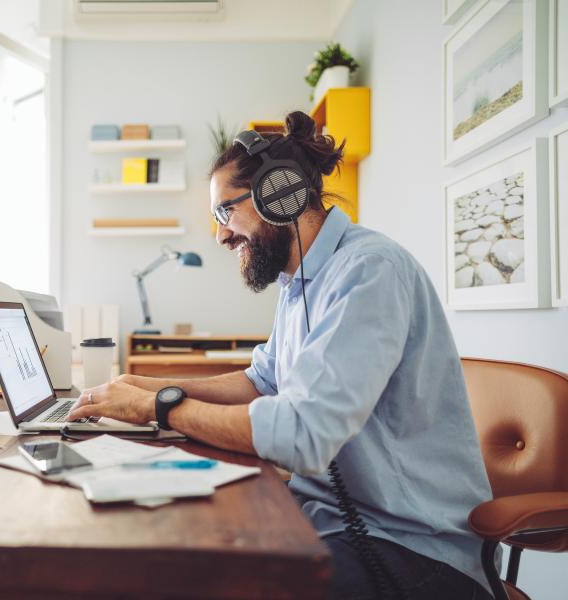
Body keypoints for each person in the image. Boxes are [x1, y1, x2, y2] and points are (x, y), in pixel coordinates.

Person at [68, 110, 494, 600]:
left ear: (279, 194)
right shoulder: (300, 283)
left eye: (225, 213)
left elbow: (301, 436)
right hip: (329, 521)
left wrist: (160, 408)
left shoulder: (369, 272)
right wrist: (151, 387)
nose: (221, 236)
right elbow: (262, 381)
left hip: (410, 549)